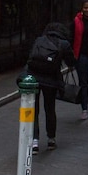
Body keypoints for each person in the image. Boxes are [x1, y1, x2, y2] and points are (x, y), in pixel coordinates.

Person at [26, 23, 75, 153]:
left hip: (34, 78)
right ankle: (51, 139)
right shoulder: (64, 44)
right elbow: (71, 62)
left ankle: (34, 141)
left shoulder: (39, 40)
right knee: (50, 109)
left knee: (33, 109)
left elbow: (31, 56)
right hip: (51, 80)